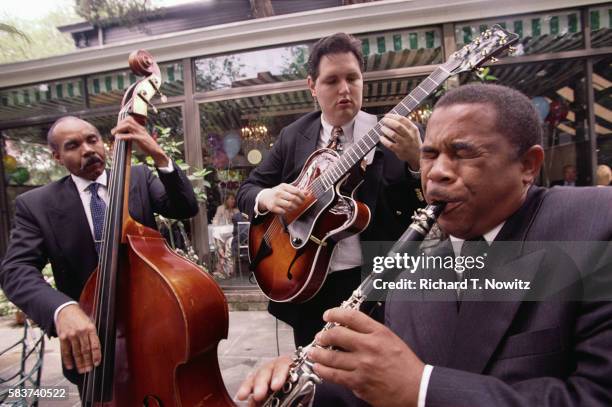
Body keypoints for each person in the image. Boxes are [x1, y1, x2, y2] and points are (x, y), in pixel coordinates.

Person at [237, 84, 612, 406]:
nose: (438, 173)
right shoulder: (413, 268)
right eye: (429, 154)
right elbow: (374, 386)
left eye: (463, 153)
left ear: (528, 165)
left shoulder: (595, 226)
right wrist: (308, 386)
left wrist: (423, 389)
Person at [236, 32, 425, 346]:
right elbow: (248, 189)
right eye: (331, 80)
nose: (345, 90)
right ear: (312, 86)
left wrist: (417, 162)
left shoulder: (395, 136)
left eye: (353, 78)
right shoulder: (293, 136)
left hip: (374, 285)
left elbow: (426, 206)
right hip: (304, 281)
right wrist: (268, 197)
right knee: (313, 383)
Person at [0, 116, 198, 385]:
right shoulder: (35, 205)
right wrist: (62, 309)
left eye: (92, 140)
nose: (88, 149)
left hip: (154, 324)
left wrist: (159, 155)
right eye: (73, 145)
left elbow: (185, 208)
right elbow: (15, 270)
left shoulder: (137, 177)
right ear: (57, 157)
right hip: (91, 337)